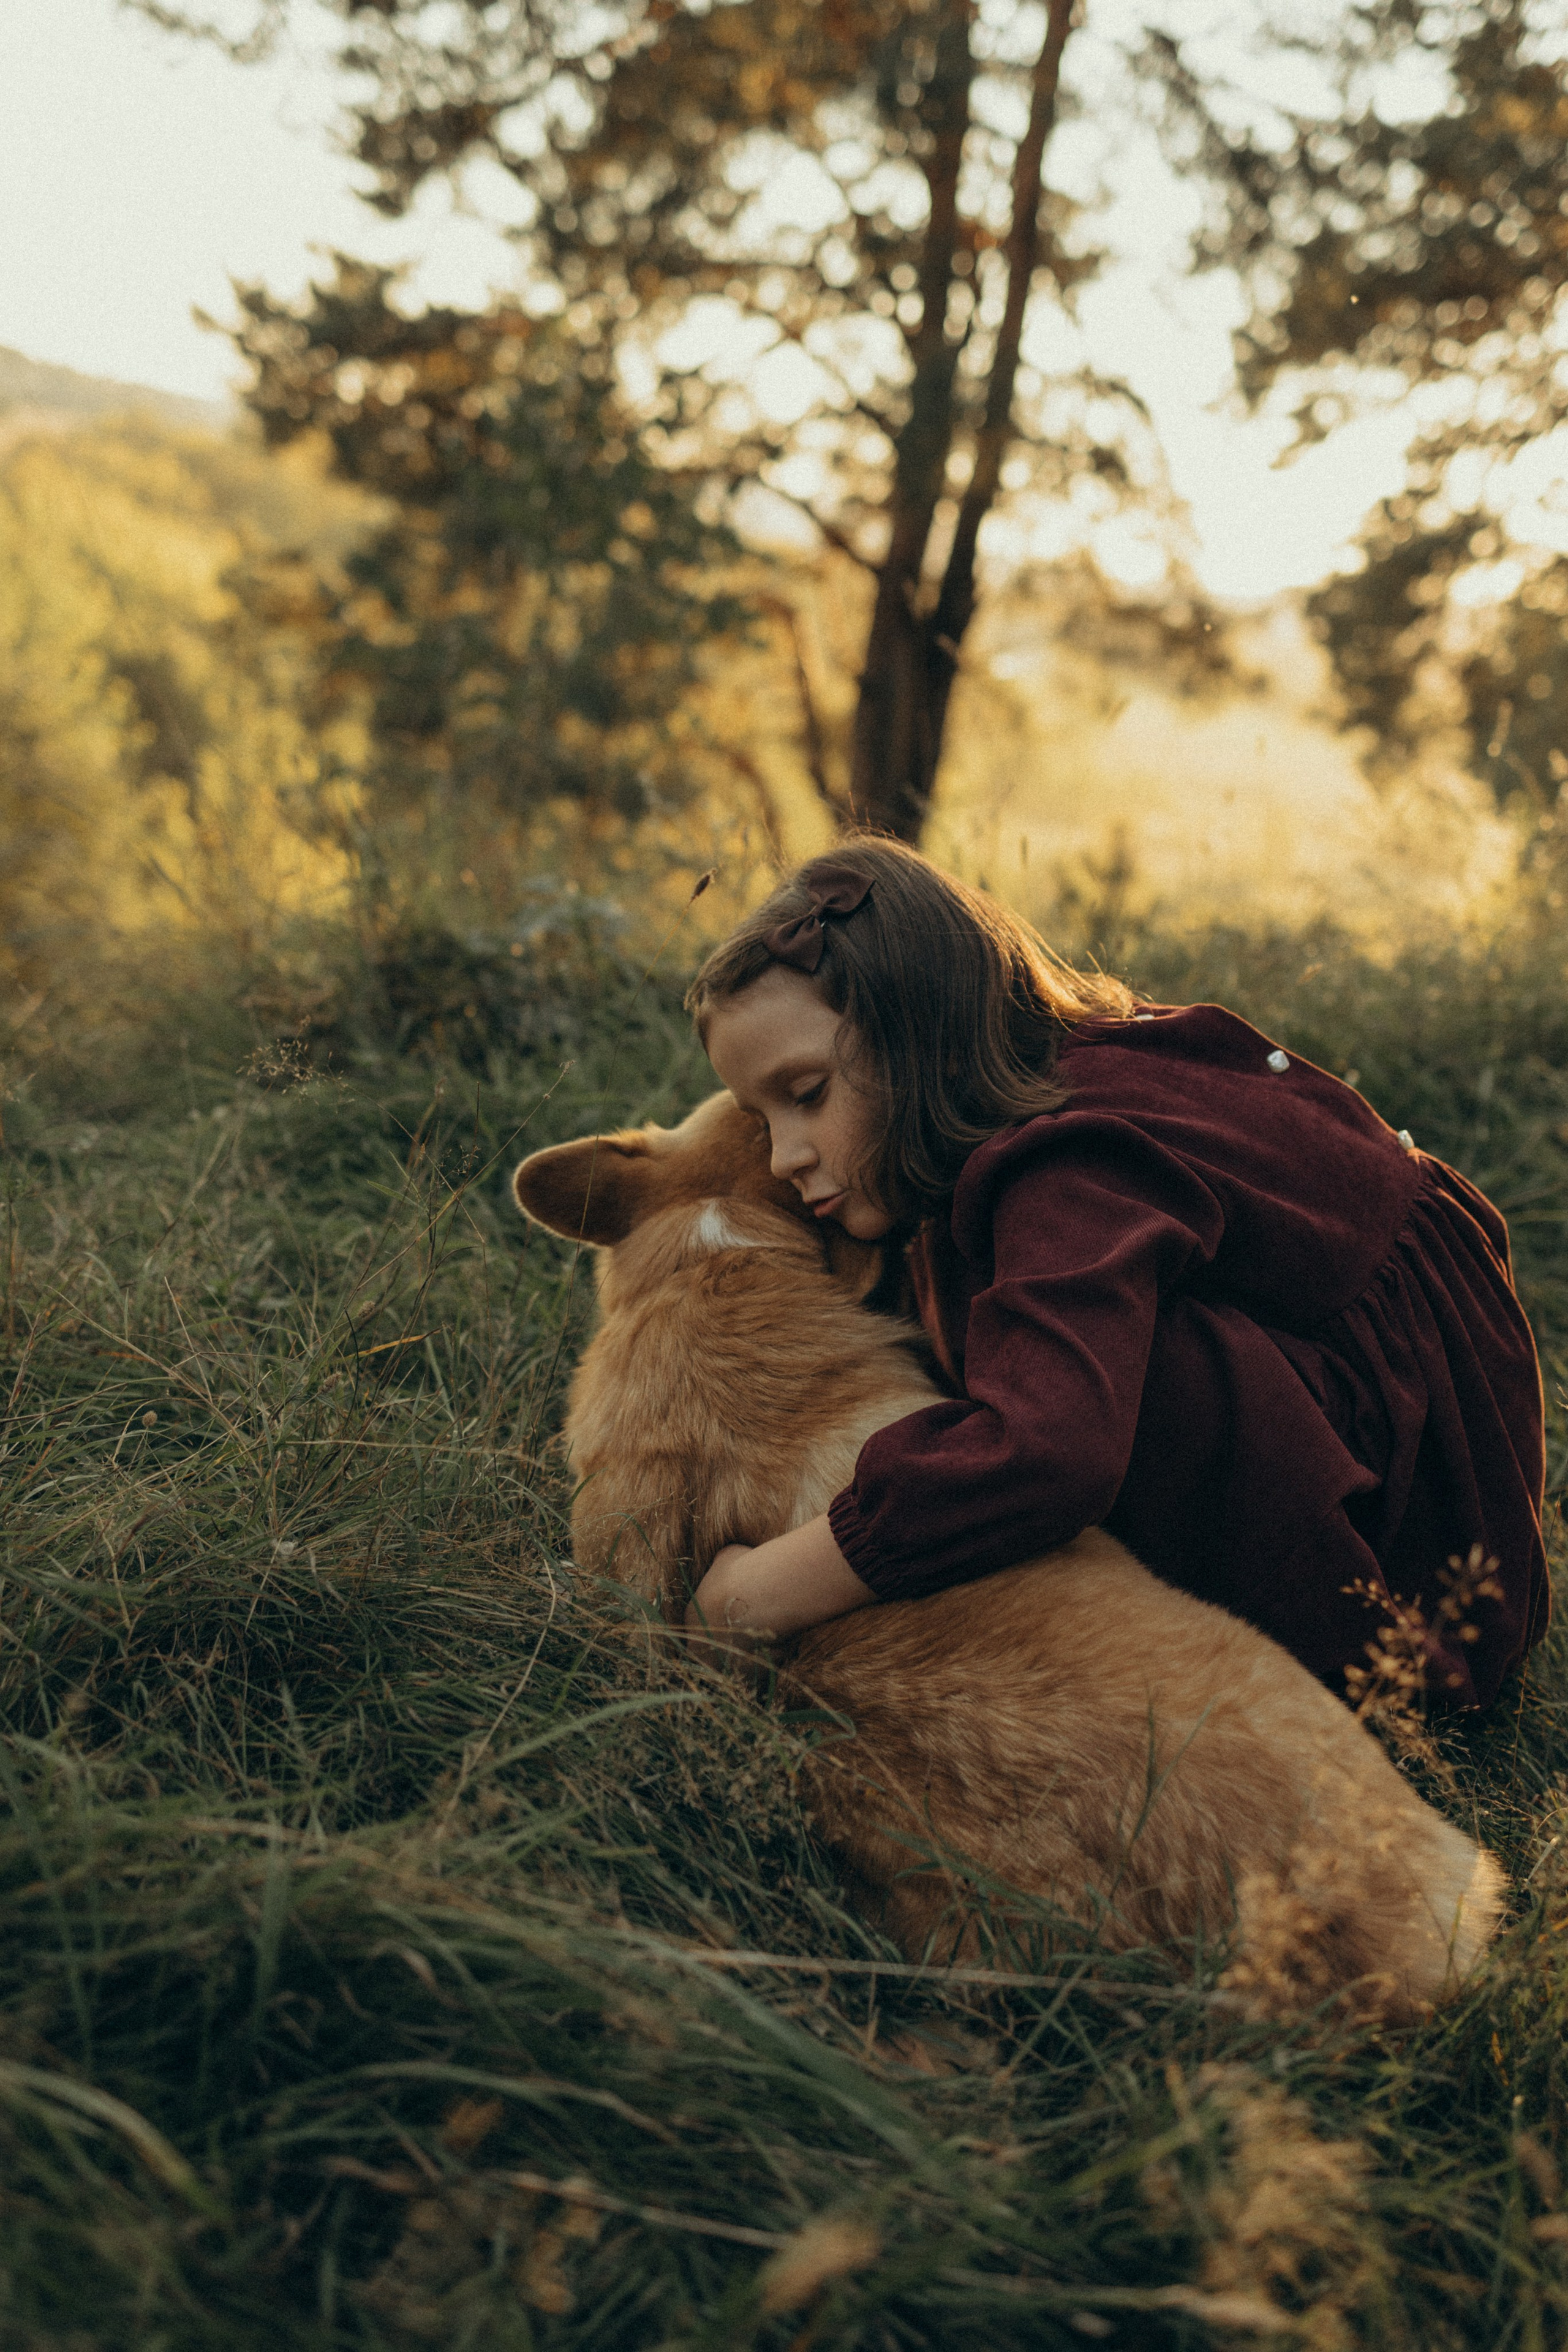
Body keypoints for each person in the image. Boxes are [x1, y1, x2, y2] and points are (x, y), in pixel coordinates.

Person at [684, 839, 1549, 1709]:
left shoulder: (1068, 1168)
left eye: (807, 1095)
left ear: (923, 1032)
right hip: (1366, 1416)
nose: (788, 1156)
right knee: (1034, 1335)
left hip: (1413, 1557)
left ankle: (1298, 1679)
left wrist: (755, 1594)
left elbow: (1046, 1453)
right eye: (761, 1122)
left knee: (1096, 1387)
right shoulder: (1021, 1095)